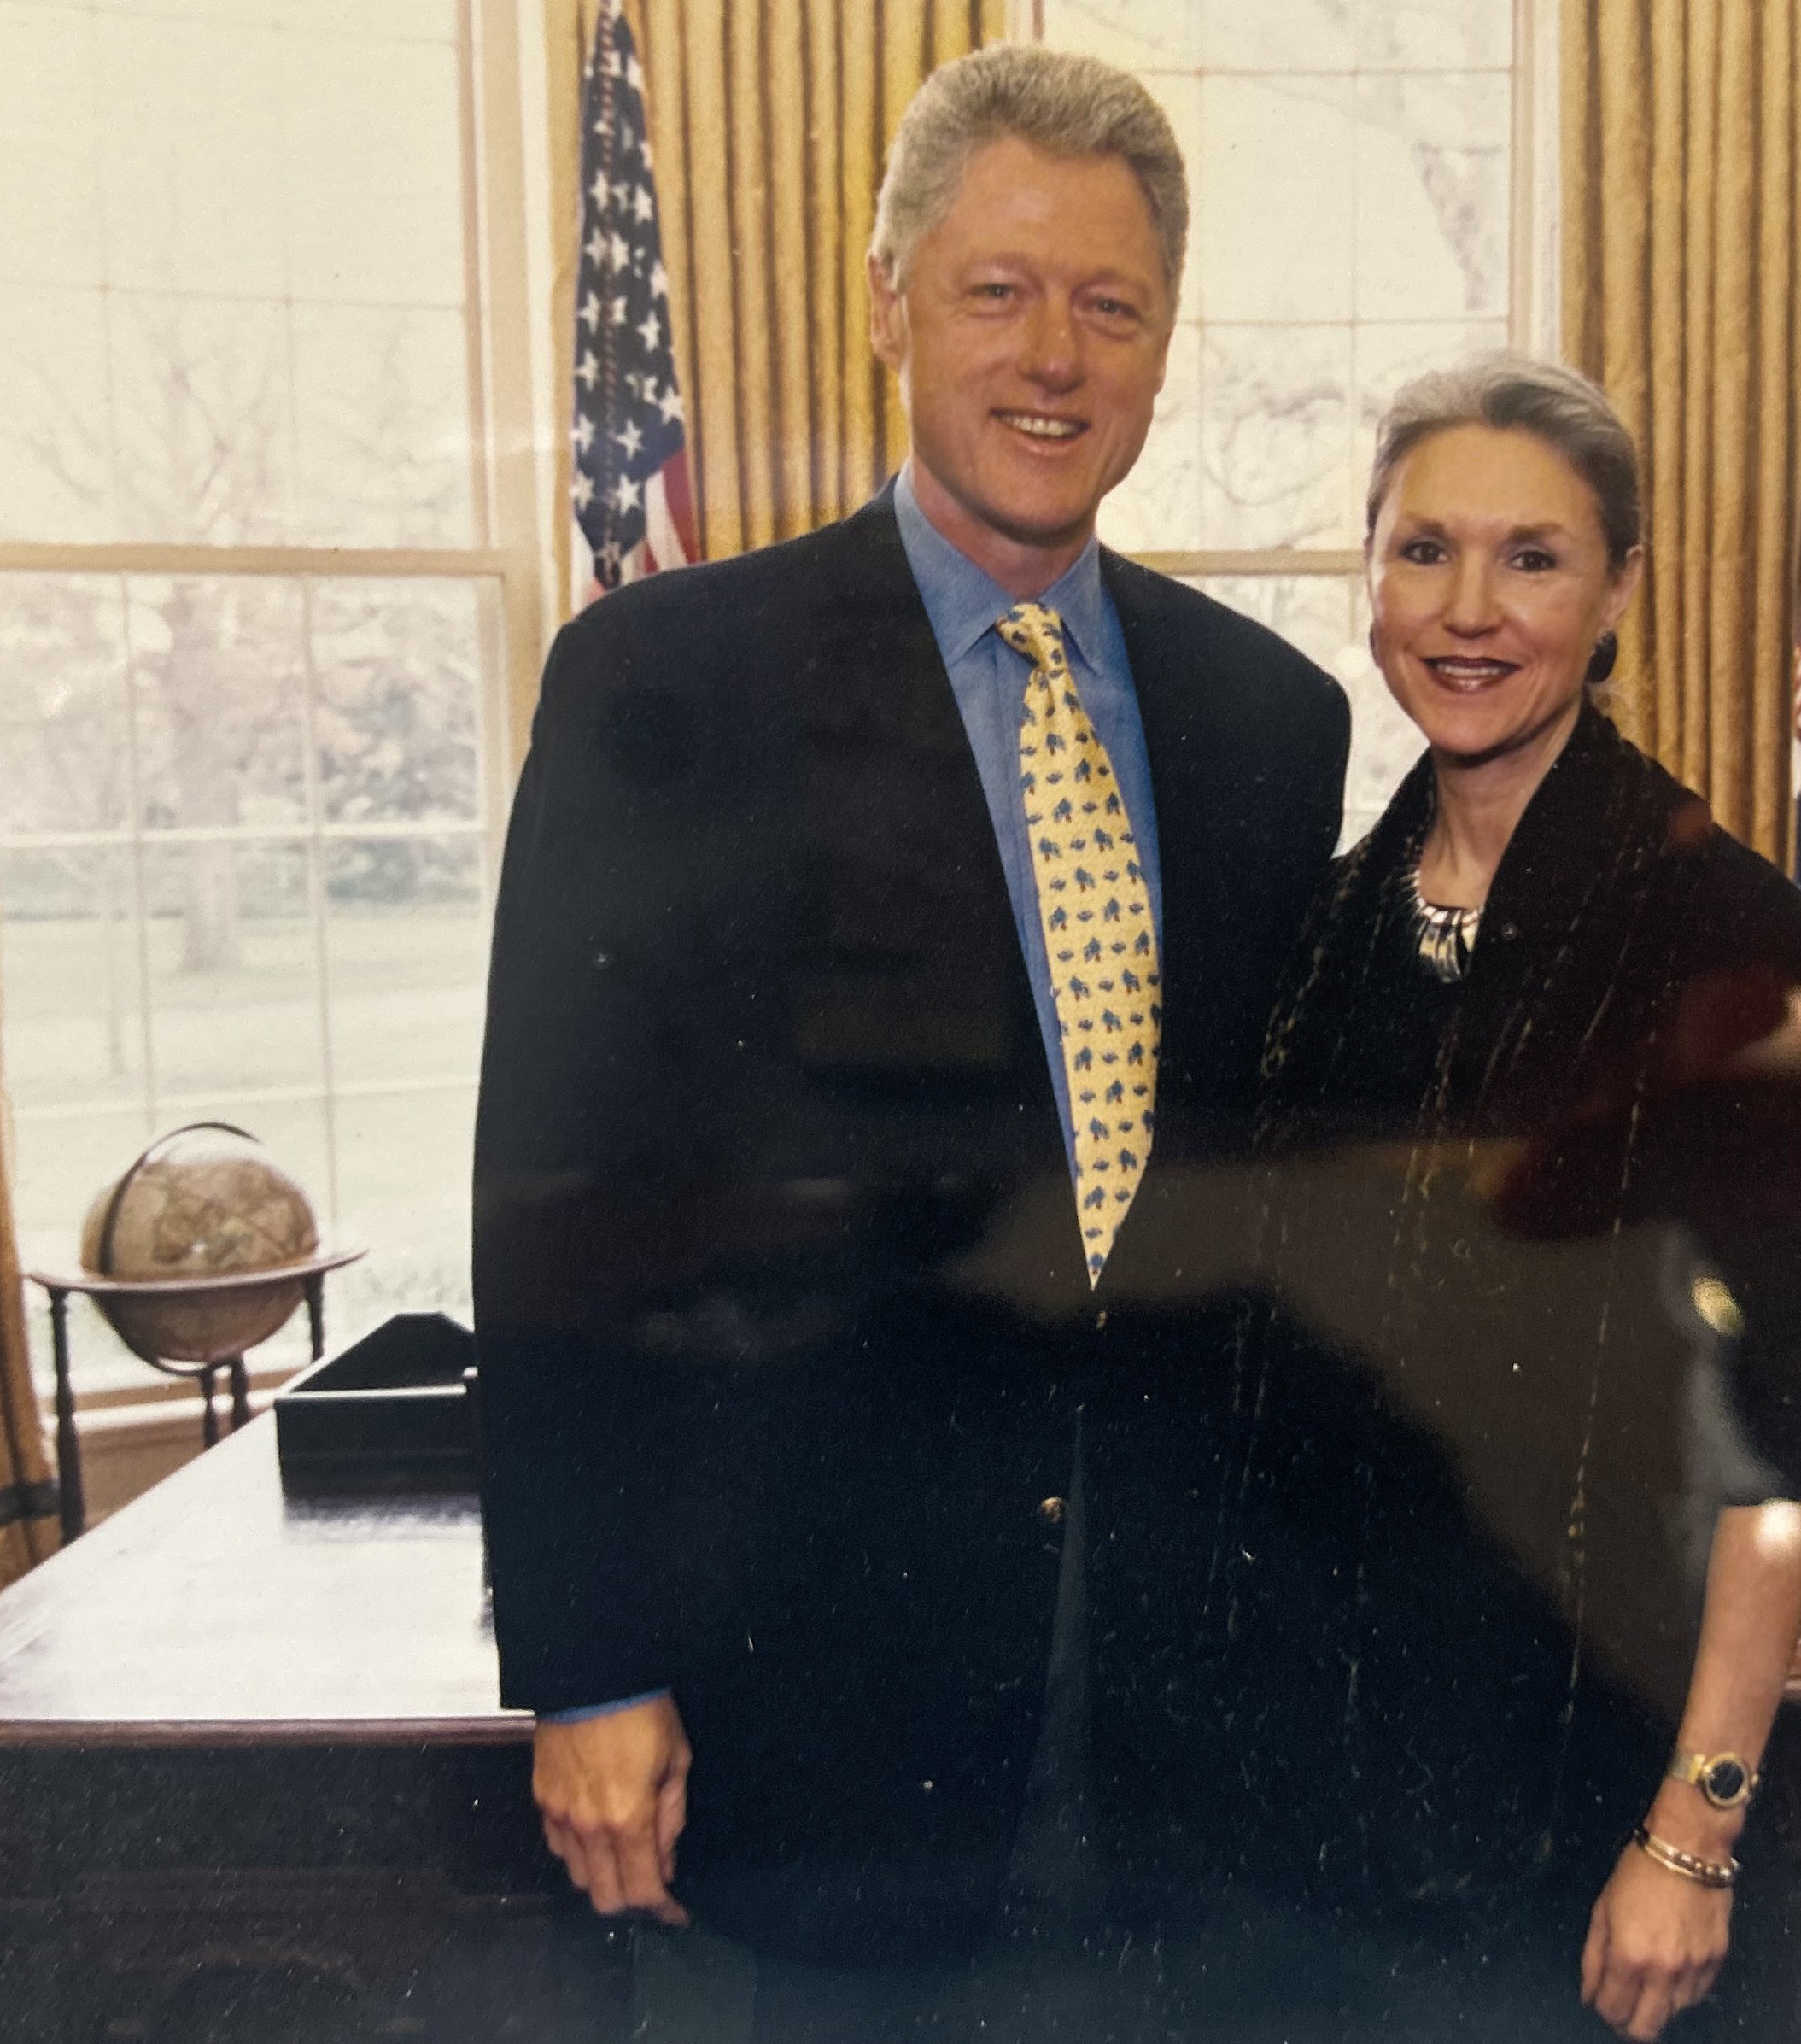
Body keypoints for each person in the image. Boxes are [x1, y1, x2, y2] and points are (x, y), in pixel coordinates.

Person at [468, 38, 1348, 2026]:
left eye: (1109, 305)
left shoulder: (1263, 728)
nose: (1054, 354)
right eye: (997, 288)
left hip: (1163, 1736)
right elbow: (556, 1196)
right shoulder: (663, 684)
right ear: (887, 305)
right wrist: (590, 1665)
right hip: (798, 1735)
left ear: (1161, 344)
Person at [1192, 357, 1801, 2041]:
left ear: (1620, 588)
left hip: (1582, 1817)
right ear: (1365, 573)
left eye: (1533, 558)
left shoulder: (1727, 938)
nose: (1467, 610)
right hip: (1310, 1806)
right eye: (1422, 551)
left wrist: (1694, 1833)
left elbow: (1779, 1448)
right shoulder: (1328, 932)